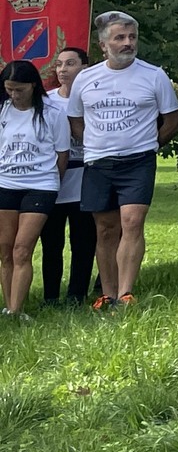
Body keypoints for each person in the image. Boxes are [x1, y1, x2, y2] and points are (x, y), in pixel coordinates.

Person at [71, 11, 178, 308]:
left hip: (138, 161)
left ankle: (126, 293)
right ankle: (107, 294)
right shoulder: (86, 78)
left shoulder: (153, 75)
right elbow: (75, 120)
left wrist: (149, 145)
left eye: (132, 37)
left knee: (132, 223)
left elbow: (172, 120)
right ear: (103, 45)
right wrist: (95, 143)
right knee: (106, 229)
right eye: (120, 38)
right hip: (98, 163)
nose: (127, 43)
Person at [1, 59, 65, 317]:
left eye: (19, 89)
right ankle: (10, 307)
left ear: (33, 86)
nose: (14, 95)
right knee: (5, 249)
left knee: (22, 248)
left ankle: (17, 311)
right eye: (9, 89)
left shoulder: (52, 113)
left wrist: (50, 183)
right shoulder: (2, 111)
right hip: (5, 183)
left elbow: (62, 154)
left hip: (40, 186)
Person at [39, 46, 94, 306]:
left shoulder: (95, 97)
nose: (62, 70)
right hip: (53, 182)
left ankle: (77, 295)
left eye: (70, 64)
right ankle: (50, 296)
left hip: (86, 182)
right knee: (51, 244)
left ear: (84, 67)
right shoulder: (47, 102)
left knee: (83, 243)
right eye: (59, 64)